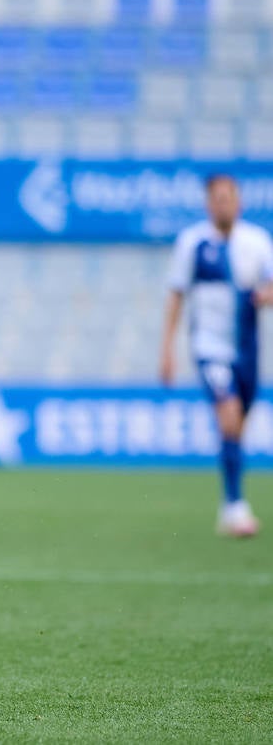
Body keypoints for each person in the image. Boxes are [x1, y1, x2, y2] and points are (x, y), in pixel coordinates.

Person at [160, 173, 273, 538]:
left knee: (237, 427)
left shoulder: (257, 241)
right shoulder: (192, 243)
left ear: (239, 202)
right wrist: (167, 350)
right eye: (217, 199)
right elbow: (176, 295)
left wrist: (266, 295)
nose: (223, 205)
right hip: (209, 348)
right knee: (229, 416)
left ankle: (228, 505)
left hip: (248, 349)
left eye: (228, 198)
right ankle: (237, 507)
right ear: (208, 204)